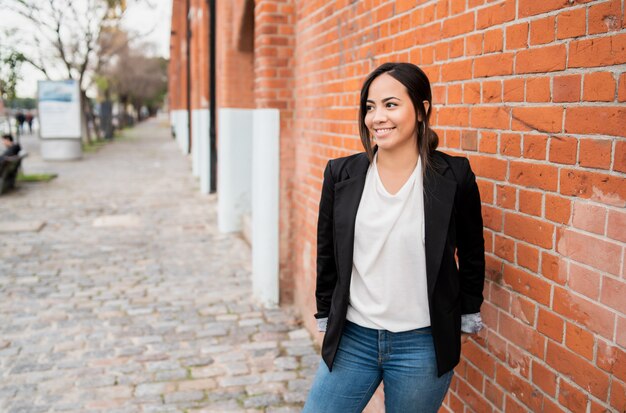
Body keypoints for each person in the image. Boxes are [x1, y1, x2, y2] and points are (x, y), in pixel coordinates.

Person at [303, 62, 485, 413]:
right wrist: (326, 315)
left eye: (390, 104)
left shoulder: (455, 175)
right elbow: (327, 254)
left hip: (423, 343)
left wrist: (466, 314)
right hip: (354, 338)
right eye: (370, 107)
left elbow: (472, 254)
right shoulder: (341, 174)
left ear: (421, 110)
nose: (377, 117)